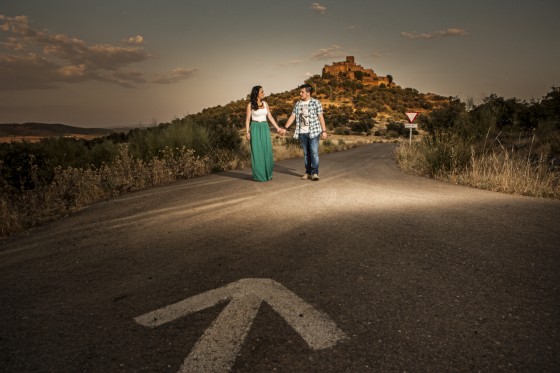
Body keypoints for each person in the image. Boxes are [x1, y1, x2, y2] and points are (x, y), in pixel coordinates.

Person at [283, 84, 328, 181]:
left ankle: (315, 173)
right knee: (306, 154)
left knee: (314, 153)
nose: (300, 94)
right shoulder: (298, 104)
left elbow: (321, 117)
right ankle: (308, 173)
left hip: (314, 132)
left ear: (308, 93)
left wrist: (324, 131)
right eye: (300, 92)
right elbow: (292, 116)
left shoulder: (316, 102)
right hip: (302, 133)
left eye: (302, 92)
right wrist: (285, 128)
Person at [245, 85, 286, 182]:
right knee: (257, 151)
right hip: (255, 128)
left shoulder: (265, 103)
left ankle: (268, 173)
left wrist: (278, 128)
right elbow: (247, 119)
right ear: (257, 93)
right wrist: (247, 132)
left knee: (266, 150)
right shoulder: (250, 105)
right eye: (262, 92)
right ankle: (259, 175)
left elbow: (270, 117)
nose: (264, 93)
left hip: (264, 127)